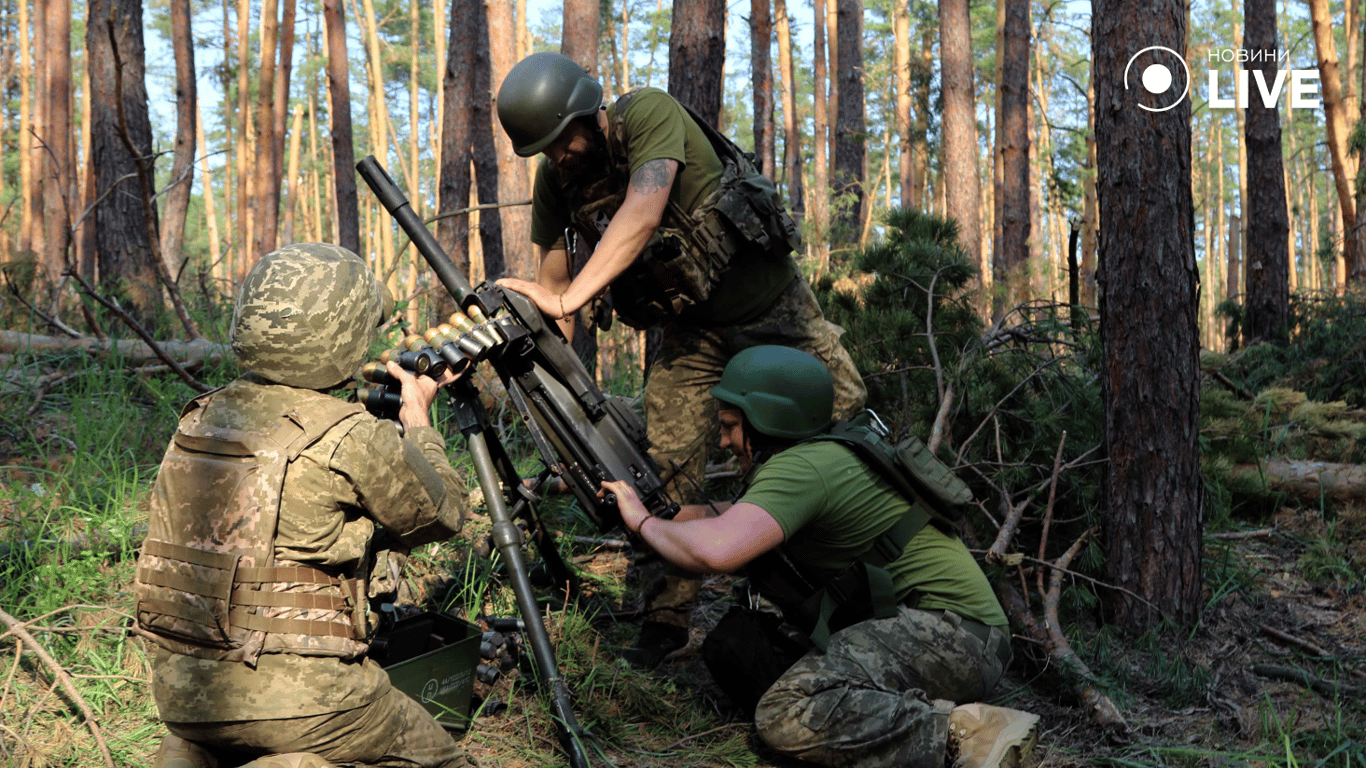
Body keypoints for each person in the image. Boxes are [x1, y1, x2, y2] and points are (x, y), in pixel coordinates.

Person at [601, 346, 1040, 768]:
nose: (723, 440)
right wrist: (663, 516)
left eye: (731, 425)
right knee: (741, 650)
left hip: (956, 638)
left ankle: (965, 733)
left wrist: (643, 523)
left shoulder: (804, 468)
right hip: (954, 634)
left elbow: (719, 550)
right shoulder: (819, 456)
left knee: (783, 711)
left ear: (766, 418)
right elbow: (733, 517)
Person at [136, 243, 475, 768]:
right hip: (310, 704)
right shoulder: (351, 435)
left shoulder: (198, 418)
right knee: (444, 761)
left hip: (184, 693)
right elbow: (442, 513)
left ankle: (195, 752)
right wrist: (419, 425)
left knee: (218, 737)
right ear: (340, 337)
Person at [493, 51, 867, 503]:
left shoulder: (648, 112)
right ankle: (676, 564)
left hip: (774, 308)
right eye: (543, 148)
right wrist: (557, 396)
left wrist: (568, 300)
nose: (556, 154)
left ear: (585, 111)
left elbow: (643, 211)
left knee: (846, 427)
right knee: (666, 476)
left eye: (560, 139)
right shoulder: (557, 180)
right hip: (691, 333)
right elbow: (552, 285)